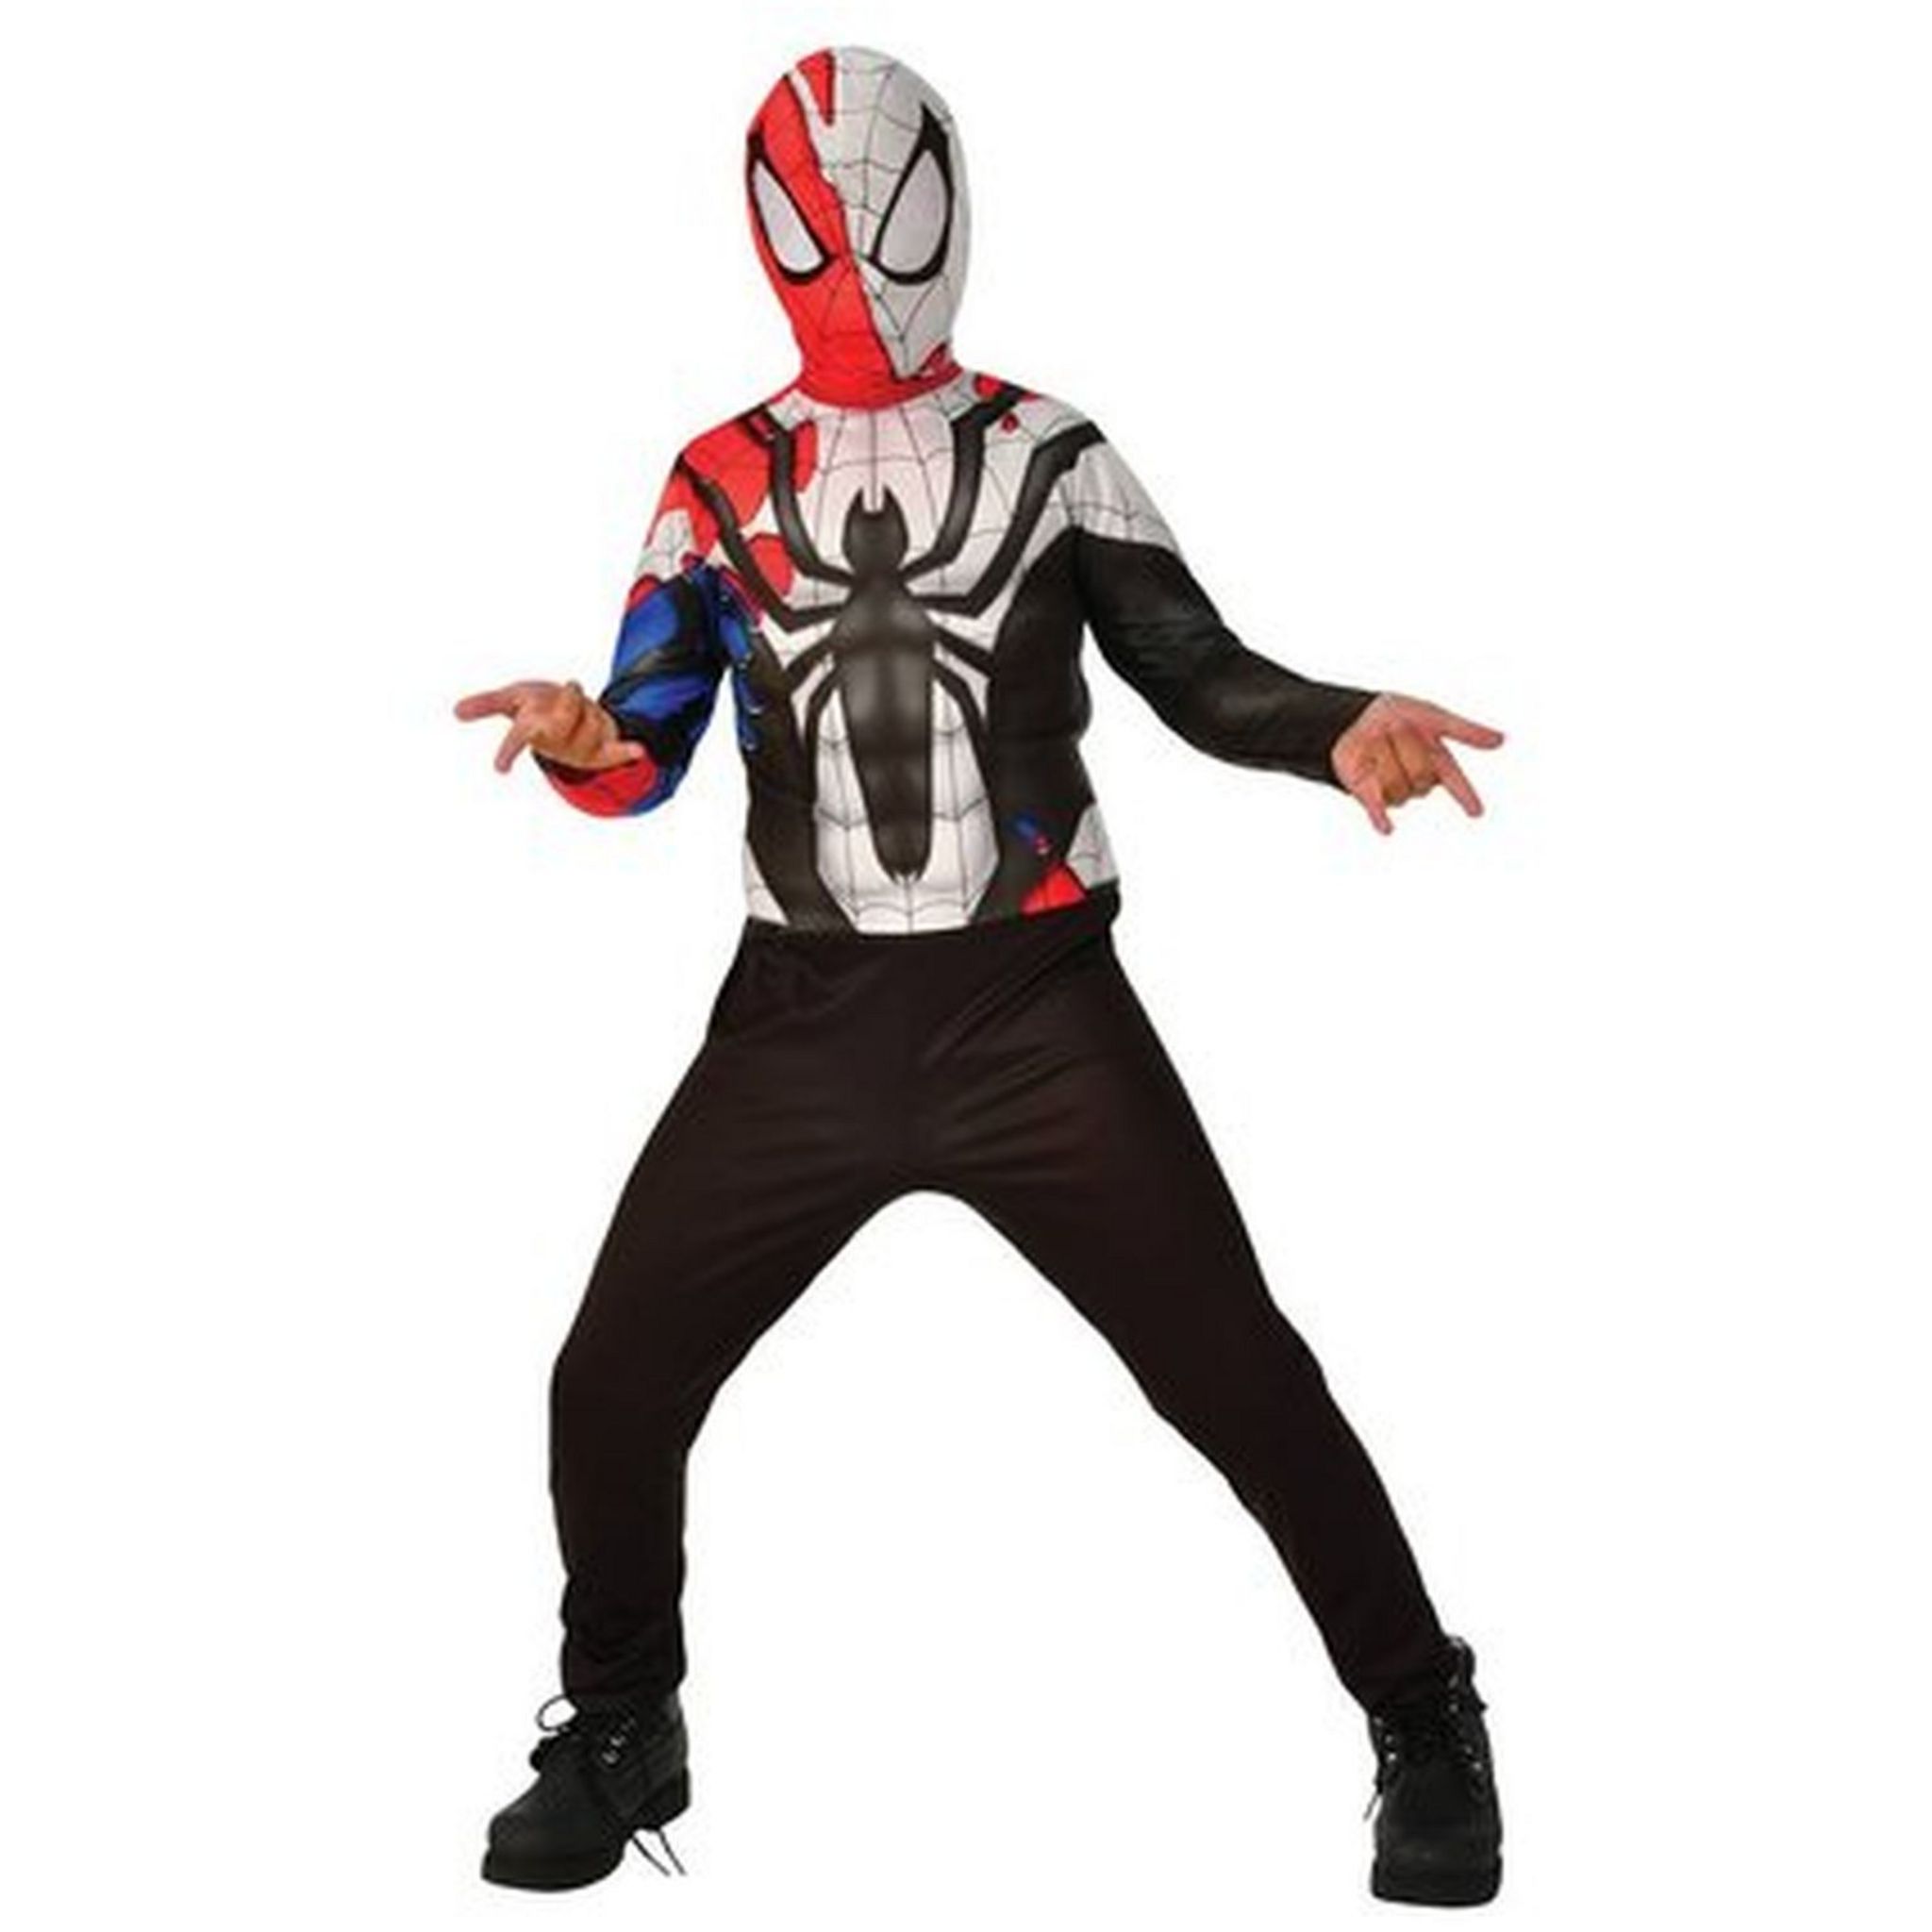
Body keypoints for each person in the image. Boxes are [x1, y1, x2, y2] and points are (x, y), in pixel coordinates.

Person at [456, 44, 1506, 1907]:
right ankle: (622, 1720)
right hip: (799, 1021)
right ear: (766, 234)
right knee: (608, 1378)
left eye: (887, 208)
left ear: (947, 201)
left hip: (1036, 1014)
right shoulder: (715, 483)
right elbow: (645, 744)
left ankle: (1423, 1712)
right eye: (818, 222)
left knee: (1236, 1372)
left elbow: (1193, 666)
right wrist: (575, 737)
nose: (861, 257)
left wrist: (1334, 724)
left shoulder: (1048, 453)